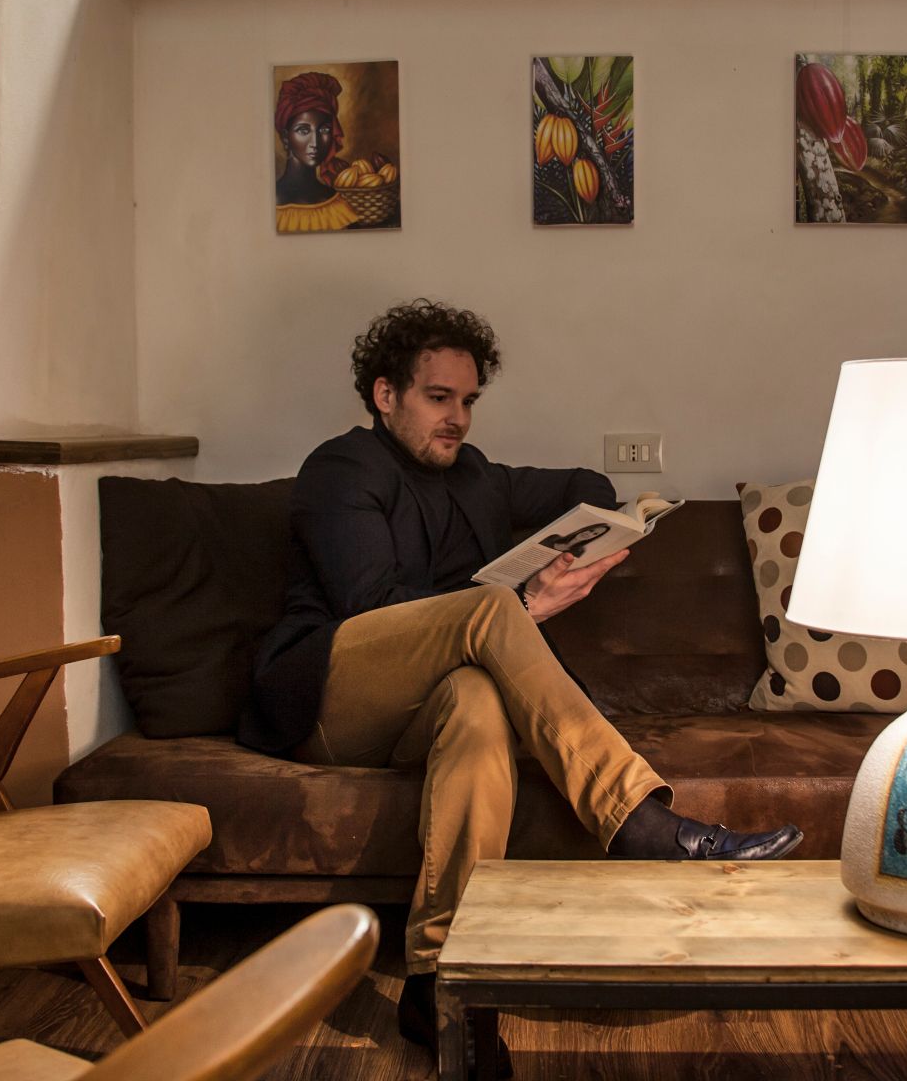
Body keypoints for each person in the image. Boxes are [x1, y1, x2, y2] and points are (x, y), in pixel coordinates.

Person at [240, 299, 802, 1070]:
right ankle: (639, 820)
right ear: (384, 396)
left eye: (469, 401)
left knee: (475, 705)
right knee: (491, 612)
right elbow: (369, 606)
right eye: (439, 398)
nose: (459, 418)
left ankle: (442, 981)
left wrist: (612, 523)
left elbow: (584, 481)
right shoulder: (340, 470)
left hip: (425, 703)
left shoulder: (474, 477)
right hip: (329, 694)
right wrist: (526, 604)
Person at [273, 70, 361, 233]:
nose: (315, 143)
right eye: (303, 130)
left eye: (324, 130)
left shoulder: (338, 205)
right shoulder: (270, 203)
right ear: (286, 138)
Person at [540, 521, 610, 557]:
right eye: (591, 531)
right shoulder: (554, 537)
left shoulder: (579, 551)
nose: (589, 534)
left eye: (595, 534)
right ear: (585, 529)